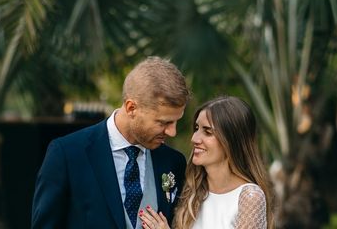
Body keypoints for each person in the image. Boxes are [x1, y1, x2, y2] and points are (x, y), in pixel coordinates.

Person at [31, 56, 190, 229]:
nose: (172, 132)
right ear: (131, 108)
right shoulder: (67, 154)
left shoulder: (173, 162)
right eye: (163, 122)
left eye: (175, 122)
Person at [139, 96, 273, 229]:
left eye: (207, 132)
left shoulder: (249, 197)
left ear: (231, 141)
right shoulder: (190, 191)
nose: (194, 138)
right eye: (196, 128)